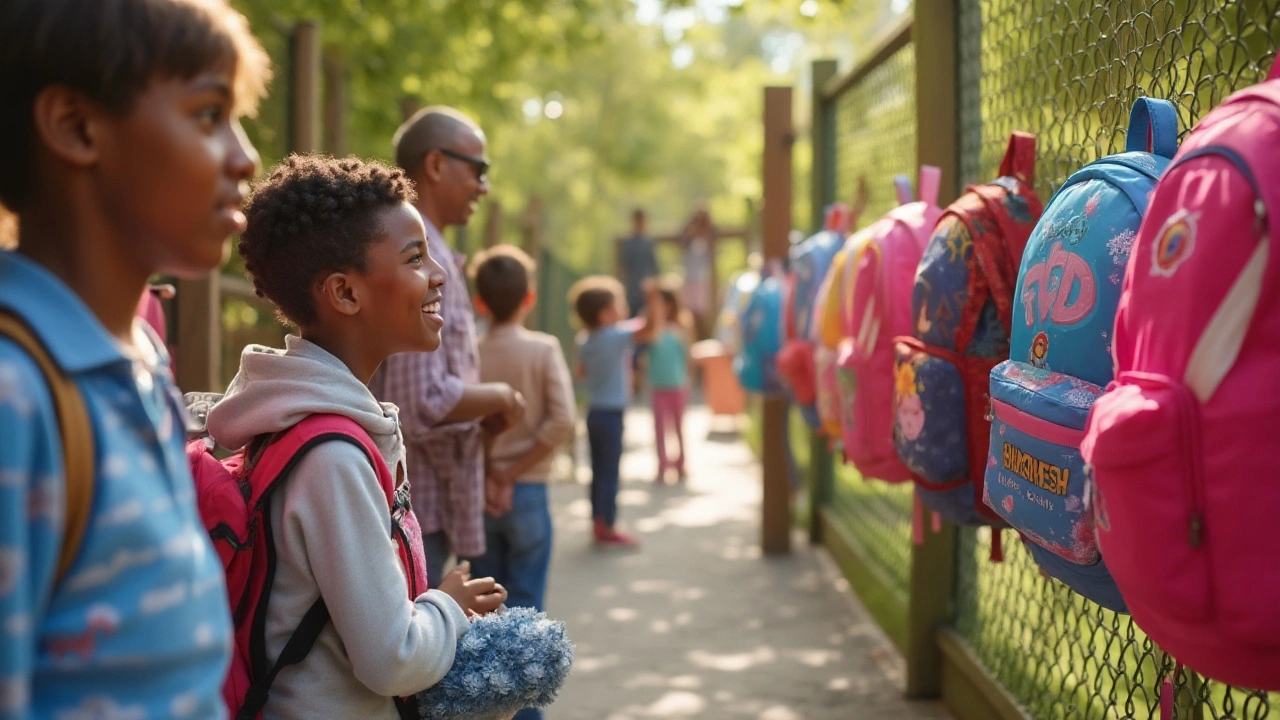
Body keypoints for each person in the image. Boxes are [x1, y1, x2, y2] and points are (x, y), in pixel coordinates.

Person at [0, 0, 268, 716]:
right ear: (76, 126)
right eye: (209, 115)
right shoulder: (16, 394)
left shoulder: (141, 355)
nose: (246, 157)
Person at [207, 155, 507, 720]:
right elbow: (391, 659)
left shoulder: (313, 426)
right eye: (415, 258)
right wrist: (450, 606)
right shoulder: (333, 457)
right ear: (345, 294)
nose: (438, 275)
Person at [370, 107, 525, 584]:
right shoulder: (424, 261)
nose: (484, 186)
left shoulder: (432, 257)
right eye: (478, 170)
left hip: (435, 497)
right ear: (436, 165)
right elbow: (417, 404)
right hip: (416, 501)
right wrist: (500, 397)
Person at [470, 245, 575, 720]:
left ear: (479, 302)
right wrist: (514, 473)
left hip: (479, 496)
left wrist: (492, 472)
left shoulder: (469, 352)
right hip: (529, 491)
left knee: (488, 617)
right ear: (530, 297)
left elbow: (463, 424)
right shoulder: (543, 349)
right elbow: (562, 421)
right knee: (528, 616)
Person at [570, 276, 660, 547]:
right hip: (612, 414)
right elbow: (651, 328)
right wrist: (653, 297)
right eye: (619, 304)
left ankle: (598, 521)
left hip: (594, 412)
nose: (623, 308)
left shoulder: (585, 339)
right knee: (610, 471)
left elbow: (581, 372)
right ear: (605, 314)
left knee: (598, 471)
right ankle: (608, 525)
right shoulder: (615, 335)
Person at [648, 280, 694, 484]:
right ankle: (662, 464)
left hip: (678, 385)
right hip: (658, 385)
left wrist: (689, 380)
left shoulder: (683, 325)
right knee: (659, 428)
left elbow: (688, 355)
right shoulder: (652, 327)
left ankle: (681, 462)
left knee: (678, 427)